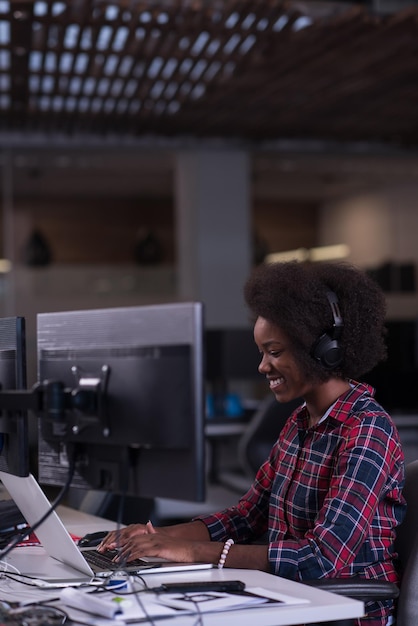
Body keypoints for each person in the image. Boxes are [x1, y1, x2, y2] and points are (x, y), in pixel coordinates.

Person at [98, 260, 406, 626]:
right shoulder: (298, 423)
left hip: (343, 611)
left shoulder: (367, 430)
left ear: (323, 350)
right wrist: (158, 537)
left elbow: (321, 558)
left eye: (274, 352)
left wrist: (193, 551)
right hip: (289, 598)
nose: (262, 367)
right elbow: (247, 516)